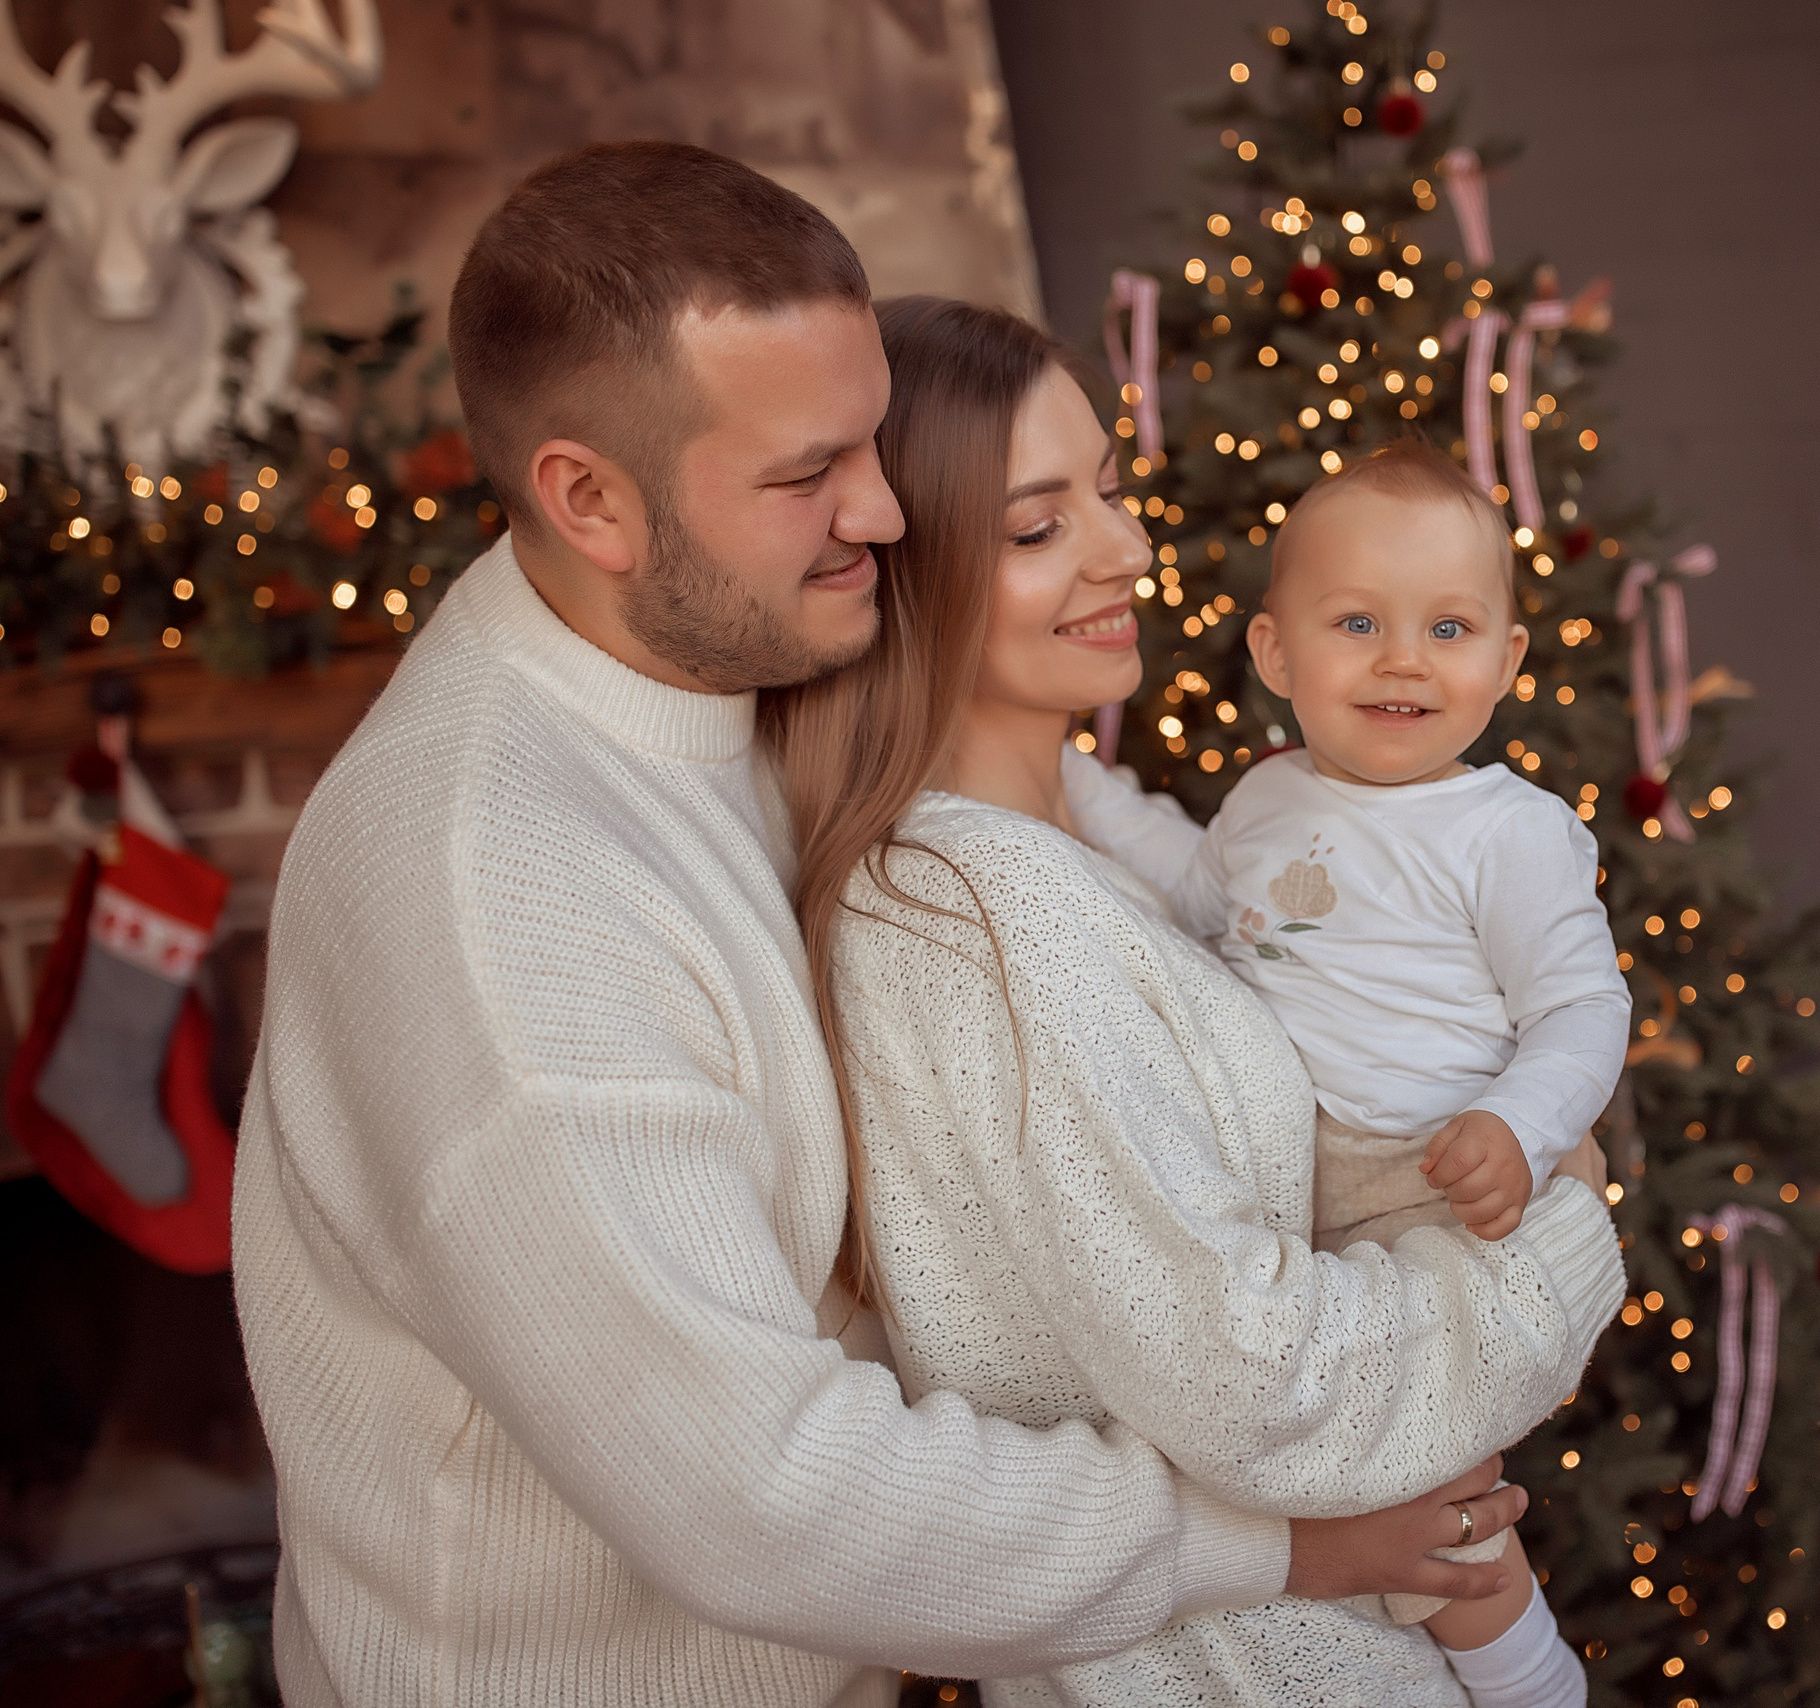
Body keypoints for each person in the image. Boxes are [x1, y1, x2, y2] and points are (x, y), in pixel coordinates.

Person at [232, 142, 1530, 1708]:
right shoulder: (496, 893)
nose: (888, 511)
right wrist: (1284, 1545)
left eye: (870, 444)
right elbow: (758, 1495)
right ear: (588, 499)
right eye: (805, 475)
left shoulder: (737, 688)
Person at [763, 295, 1622, 1708]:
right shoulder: (987, 915)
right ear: (907, 571)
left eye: (1107, 491)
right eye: (1040, 527)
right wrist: (1567, 1238)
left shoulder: (1038, 865)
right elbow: (1256, 1383)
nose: (1125, 548)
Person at [1063, 440, 1629, 1649]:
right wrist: (1081, 789)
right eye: (1358, 621)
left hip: (1433, 1172)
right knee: (1320, 1453)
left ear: (1506, 659)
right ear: (1276, 652)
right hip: (1281, 1179)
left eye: (1449, 628)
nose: (1403, 661)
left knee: (1433, 1482)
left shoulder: (1506, 833)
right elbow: (1192, 892)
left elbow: (1583, 1010)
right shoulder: (1269, 797)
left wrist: (1517, 1129)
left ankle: (1527, 1680)